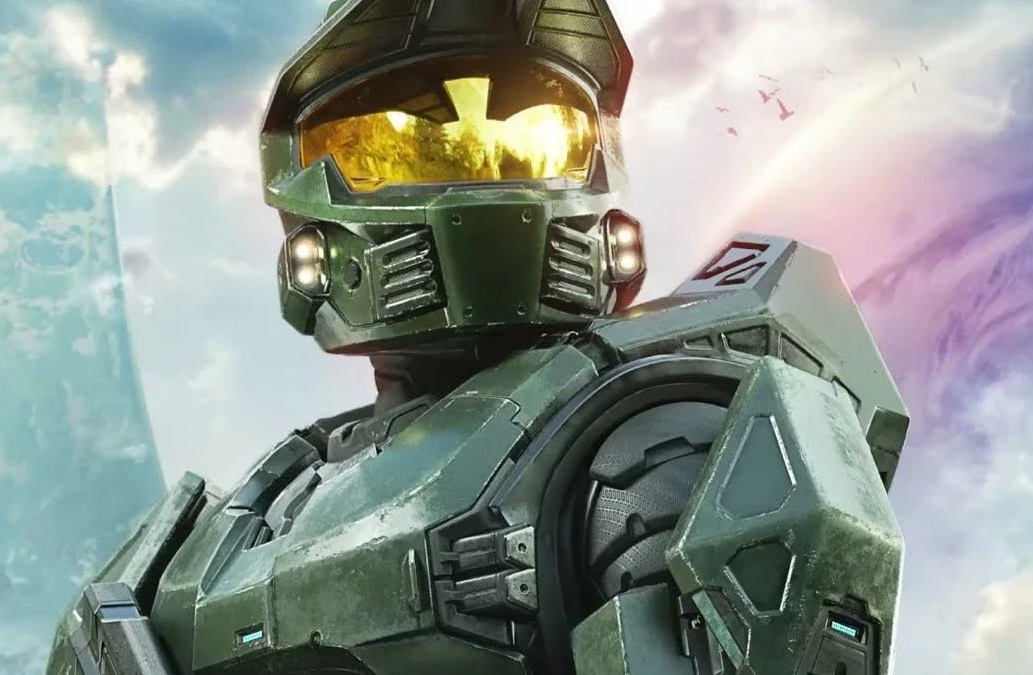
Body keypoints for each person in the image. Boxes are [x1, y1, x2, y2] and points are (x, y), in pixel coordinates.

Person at [46, 1, 908, 673]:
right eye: (398, 146)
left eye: (532, 137)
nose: (484, 173)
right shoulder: (210, 538)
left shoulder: (655, 439)